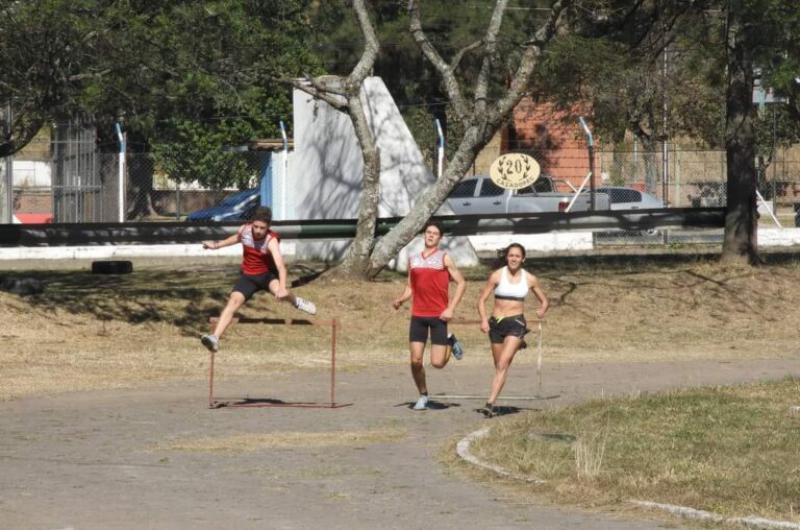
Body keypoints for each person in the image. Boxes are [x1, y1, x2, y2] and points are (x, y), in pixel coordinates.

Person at [200, 207, 316, 352]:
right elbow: (236, 238)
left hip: (267, 275)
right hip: (248, 276)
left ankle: (296, 302)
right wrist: (215, 246)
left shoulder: (271, 240)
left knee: (283, 292)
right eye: (256, 226)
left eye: (262, 228)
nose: (258, 230)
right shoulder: (245, 230)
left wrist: (281, 287)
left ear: (268, 227)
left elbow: (281, 267)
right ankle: (215, 338)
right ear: (251, 223)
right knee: (233, 301)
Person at [392, 222, 466, 411]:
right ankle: (423, 395)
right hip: (418, 315)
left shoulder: (444, 258)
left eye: (434, 233)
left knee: (437, 363)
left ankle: (450, 341)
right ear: (424, 235)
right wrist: (401, 299)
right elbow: (411, 287)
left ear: (440, 238)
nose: (430, 235)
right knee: (415, 360)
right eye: (428, 232)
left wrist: (451, 308)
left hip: (438, 316)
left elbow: (461, 283)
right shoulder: (413, 259)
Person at [476, 243, 548, 418]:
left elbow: (544, 301)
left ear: (523, 259)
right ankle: (518, 343)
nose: (513, 258)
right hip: (496, 324)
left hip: (516, 322)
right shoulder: (496, 275)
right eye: (511, 255)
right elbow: (481, 301)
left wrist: (542, 310)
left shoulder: (529, 279)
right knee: (499, 365)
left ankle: (490, 403)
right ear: (506, 257)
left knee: (502, 365)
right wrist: (484, 320)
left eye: (517, 256)